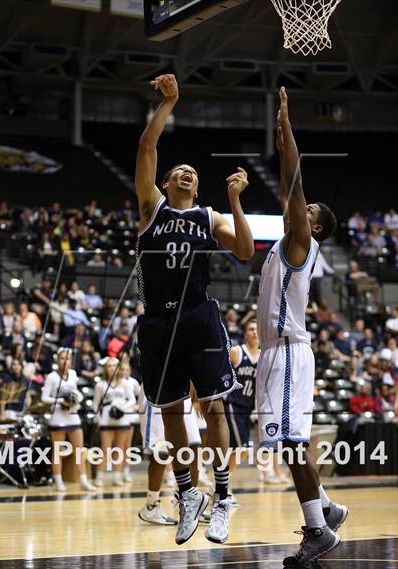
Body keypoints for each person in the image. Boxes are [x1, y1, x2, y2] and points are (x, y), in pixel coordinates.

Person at [135, 74, 254, 545]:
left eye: (193, 171)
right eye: (178, 169)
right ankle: (187, 494)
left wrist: (235, 201)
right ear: (165, 183)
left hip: (199, 315)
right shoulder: (152, 210)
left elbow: (245, 250)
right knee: (170, 414)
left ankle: (222, 497)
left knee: (215, 410)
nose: (187, 172)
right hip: (158, 321)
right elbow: (147, 146)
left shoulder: (209, 217)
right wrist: (170, 103)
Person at [256, 87, 347, 567]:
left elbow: (293, 179)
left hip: (288, 352)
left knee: (291, 444)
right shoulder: (286, 243)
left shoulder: (299, 243)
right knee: (288, 443)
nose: (301, 211)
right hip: (278, 352)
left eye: (309, 213)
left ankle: (319, 530)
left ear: (317, 229)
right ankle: (327, 508)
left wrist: (286, 128)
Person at [138, 385, 203, 526]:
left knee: (194, 446)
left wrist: (196, 396)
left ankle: (191, 504)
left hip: (183, 391)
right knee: (162, 451)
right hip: (158, 387)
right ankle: (151, 505)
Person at [41, 348, 96, 492]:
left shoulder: (73, 374)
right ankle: (58, 481)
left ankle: (83, 480)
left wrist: (74, 401)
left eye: (68, 358)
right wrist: (61, 401)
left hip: (72, 415)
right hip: (58, 417)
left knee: (79, 450)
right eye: (62, 358)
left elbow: (75, 393)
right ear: (57, 360)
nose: (65, 361)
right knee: (58, 451)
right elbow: (44, 398)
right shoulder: (52, 377)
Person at [225, 319, 260, 504]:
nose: (255, 332)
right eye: (251, 329)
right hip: (232, 405)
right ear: (245, 333)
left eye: (257, 329)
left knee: (235, 450)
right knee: (243, 450)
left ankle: (220, 485)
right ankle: (222, 486)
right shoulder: (237, 352)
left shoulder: (263, 356)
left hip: (247, 408)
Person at [93, 357, 136, 487]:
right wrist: (99, 419)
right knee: (105, 450)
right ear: (105, 369)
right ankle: (99, 476)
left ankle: (117, 476)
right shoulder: (100, 385)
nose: (112, 368)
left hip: (122, 419)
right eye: (109, 366)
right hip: (106, 420)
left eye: (114, 366)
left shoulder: (125, 383)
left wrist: (122, 406)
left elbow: (132, 400)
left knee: (120, 449)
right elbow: (96, 404)